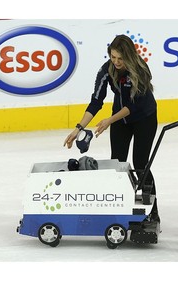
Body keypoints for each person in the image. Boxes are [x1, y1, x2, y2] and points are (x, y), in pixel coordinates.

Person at [63, 34, 160, 222]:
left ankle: (153, 211)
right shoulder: (106, 70)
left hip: (144, 119)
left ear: (129, 56)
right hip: (120, 120)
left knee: (141, 165)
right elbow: (96, 101)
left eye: (120, 58)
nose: (116, 62)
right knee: (117, 164)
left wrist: (109, 120)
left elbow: (134, 106)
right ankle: (120, 204)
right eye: (113, 57)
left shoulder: (140, 69)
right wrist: (78, 128)